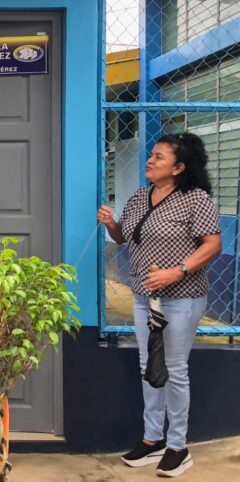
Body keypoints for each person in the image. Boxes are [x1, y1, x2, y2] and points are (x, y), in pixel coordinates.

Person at [97, 132, 221, 477]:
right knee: (147, 365)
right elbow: (126, 237)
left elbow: (212, 244)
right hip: (143, 295)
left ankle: (178, 446)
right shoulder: (140, 197)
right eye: (151, 155)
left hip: (182, 297)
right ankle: (153, 440)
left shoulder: (196, 200)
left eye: (159, 157)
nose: (150, 161)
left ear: (179, 167)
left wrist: (175, 271)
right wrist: (111, 225)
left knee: (175, 369)